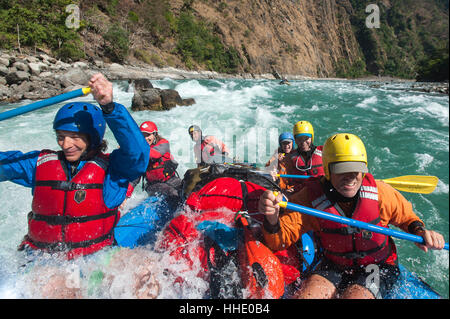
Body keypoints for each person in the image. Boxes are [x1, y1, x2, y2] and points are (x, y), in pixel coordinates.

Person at [258, 133, 446, 299]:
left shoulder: (380, 193)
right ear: (328, 170)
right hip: (334, 263)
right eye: (342, 169)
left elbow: (407, 218)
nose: (351, 176)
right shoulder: (309, 199)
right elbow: (278, 241)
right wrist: (272, 219)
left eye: (356, 169)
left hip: (377, 265)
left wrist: (421, 232)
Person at [0, 73, 150, 260]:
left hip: (92, 259)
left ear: (93, 138)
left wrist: (109, 108)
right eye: (61, 137)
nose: (66, 144)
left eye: (75, 137)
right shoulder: (38, 165)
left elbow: (138, 153)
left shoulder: (111, 172)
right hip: (40, 259)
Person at [134, 121, 182, 208]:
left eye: (148, 135)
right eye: (143, 135)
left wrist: (132, 150)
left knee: (185, 187)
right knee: (172, 192)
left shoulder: (164, 143)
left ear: (155, 134)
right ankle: (178, 214)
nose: (145, 138)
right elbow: (135, 178)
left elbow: (153, 154)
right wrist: (126, 196)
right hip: (153, 185)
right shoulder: (139, 152)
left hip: (171, 179)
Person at [281, 120, 324, 193]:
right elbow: (289, 181)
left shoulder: (323, 152)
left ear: (311, 137)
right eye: (299, 139)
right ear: (295, 140)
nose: (303, 142)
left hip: (322, 191)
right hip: (301, 193)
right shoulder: (290, 157)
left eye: (306, 138)